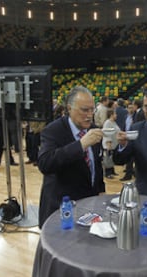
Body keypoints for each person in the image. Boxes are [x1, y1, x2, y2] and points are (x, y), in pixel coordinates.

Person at [37, 86, 105, 228]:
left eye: (92, 110)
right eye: (84, 110)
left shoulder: (93, 129)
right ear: (69, 108)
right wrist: (80, 145)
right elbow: (45, 163)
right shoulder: (53, 130)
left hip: (87, 207)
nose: (89, 115)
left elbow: (96, 164)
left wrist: (100, 189)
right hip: (61, 209)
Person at [102, 109, 120, 179]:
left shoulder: (113, 122)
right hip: (108, 145)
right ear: (111, 115)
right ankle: (108, 173)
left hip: (114, 144)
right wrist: (108, 143)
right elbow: (107, 134)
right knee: (108, 159)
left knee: (111, 159)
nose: (116, 115)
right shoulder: (107, 123)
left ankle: (112, 171)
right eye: (115, 114)